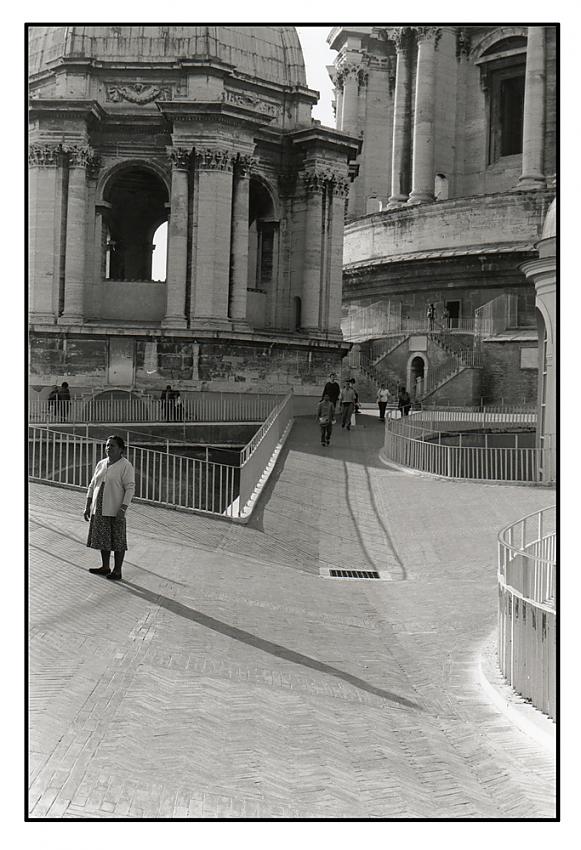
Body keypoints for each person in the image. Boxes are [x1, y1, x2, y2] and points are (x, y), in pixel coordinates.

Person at [84, 434, 135, 581]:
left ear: (120, 449)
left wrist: (123, 508)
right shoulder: (101, 464)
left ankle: (117, 570)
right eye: (107, 445)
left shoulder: (126, 466)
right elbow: (92, 485)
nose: (108, 448)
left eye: (112, 445)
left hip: (115, 508)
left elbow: (130, 488)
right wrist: (87, 506)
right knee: (102, 538)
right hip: (98, 507)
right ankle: (105, 566)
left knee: (117, 539)